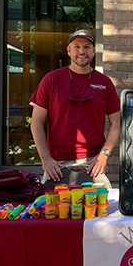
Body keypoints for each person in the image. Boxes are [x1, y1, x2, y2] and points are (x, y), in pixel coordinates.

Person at [29, 29, 120, 183]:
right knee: (53, 207)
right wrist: (46, 159)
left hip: (92, 164)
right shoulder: (51, 80)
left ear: (93, 52)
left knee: (101, 206)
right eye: (77, 46)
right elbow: (36, 122)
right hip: (57, 165)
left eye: (86, 47)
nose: (82, 51)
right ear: (69, 51)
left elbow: (116, 123)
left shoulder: (105, 83)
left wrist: (103, 155)